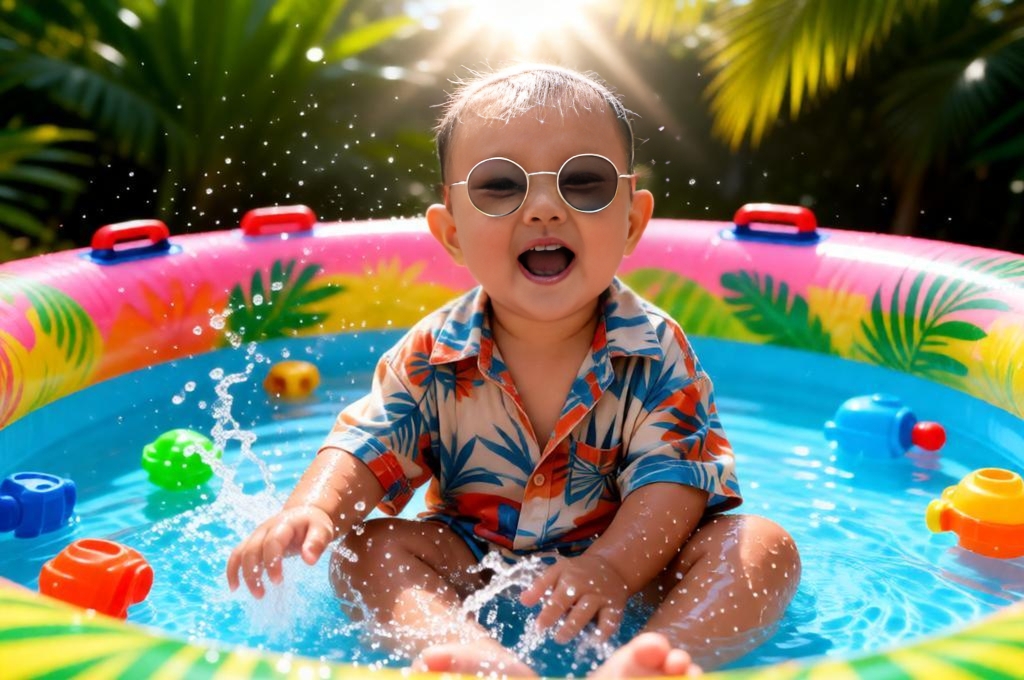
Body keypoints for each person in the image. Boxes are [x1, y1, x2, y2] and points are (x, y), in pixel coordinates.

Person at [226, 63, 801, 678]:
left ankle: (658, 654)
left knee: (761, 546)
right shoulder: (431, 354)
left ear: (632, 221)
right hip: (472, 565)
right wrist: (311, 507)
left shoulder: (654, 348)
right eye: (500, 187)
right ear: (450, 232)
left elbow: (674, 480)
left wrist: (611, 568)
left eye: (585, 182)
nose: (545, 208)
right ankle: (460, 650)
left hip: (633, 576)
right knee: (366, 549)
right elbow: (366, 448)